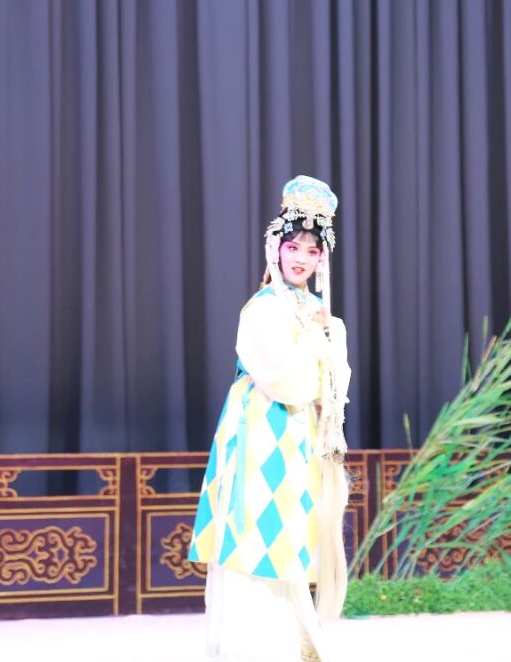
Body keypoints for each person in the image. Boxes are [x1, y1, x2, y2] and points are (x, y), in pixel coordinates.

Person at [189, 175, 352, 662]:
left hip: (298, 432)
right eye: (293, 246)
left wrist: (329, 339)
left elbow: (333, 381)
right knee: (256, 536)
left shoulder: (315, 309)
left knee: (289, 536)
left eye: (312, 250)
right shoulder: (262, 308)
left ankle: (293, 643)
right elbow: (289, 380)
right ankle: (252, 649)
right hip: (261, 429)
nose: (301, 258)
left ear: (322, 258)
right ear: (276, 248)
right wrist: (321, 344)